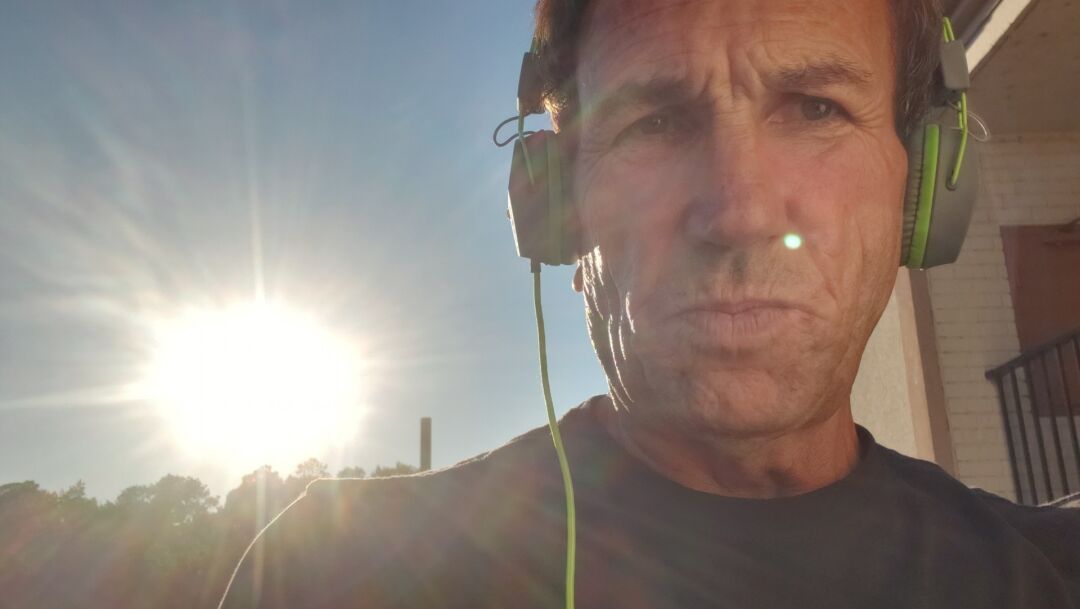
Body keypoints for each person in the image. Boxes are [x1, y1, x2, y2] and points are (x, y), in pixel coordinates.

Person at [219, 1, 1080, 607]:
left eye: (816, 108)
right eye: (655, 124)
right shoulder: (330, 574)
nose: (738, 213)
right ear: (559, 207)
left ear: (920, 184)